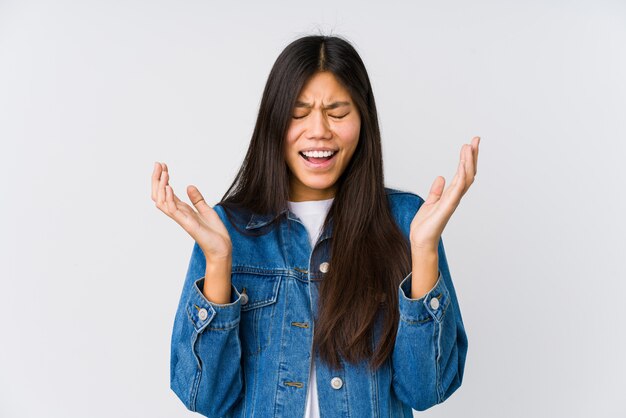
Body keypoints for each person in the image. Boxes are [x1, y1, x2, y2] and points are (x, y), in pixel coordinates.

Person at [151, 34, 478, 418]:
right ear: (273, 122)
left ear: (363, 120)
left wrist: (422, 250)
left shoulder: (407, 222)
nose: (319, 129)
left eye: (338, 112)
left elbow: (426, 389)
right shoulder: (226, 231)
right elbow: (205, 398)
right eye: (299, 112)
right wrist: (220, 261)